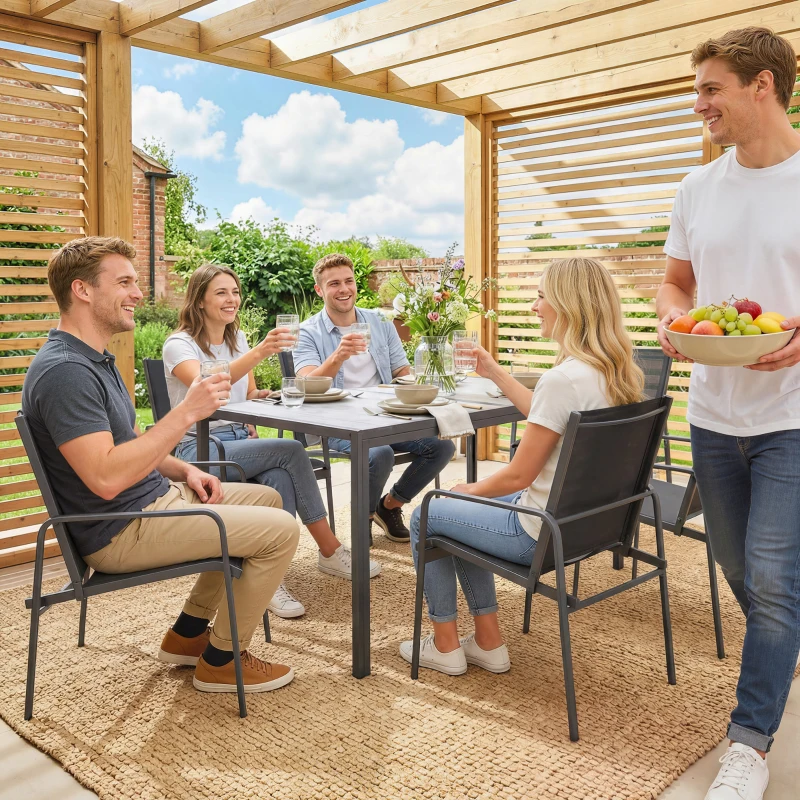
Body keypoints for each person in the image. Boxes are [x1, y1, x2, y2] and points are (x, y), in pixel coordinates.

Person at [22, 237, 301, 694]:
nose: (138, 293)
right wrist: (186, 412)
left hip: (153, 498)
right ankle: (222, 661)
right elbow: (107, 477)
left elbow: (131, 442)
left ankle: (187, 635)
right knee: (280, 532)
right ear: (83, 290)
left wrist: (185, 471)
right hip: (121, 528)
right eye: (125, 282)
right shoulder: (65, 372)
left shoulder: (95, 359)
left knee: (268, 499)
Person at [657, 27, 800, 800]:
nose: (699, 102)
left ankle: (748, 746)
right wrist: (668, 319)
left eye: (711, 87)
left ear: (763, 85)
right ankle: (786, 640)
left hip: (793, 416)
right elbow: (675, 284)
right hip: (713, 415)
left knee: (775, 583)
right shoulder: (696, 188)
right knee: (742, 569)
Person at [400, 257, 643, 675]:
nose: (535, 306)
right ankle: (488, 643)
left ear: (569, 306)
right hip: (582, 527)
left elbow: (518, 476)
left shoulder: (563, 380)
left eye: (541, 296)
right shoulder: (617, 373)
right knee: (463, 507)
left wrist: (463, 492)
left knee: (428, 512)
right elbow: (549, 418)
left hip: (536, 533)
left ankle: (444, 645)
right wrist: (494, 371)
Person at [163, 264, 381, 619]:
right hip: (199, 449)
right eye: (221, 293)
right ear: (199, 300)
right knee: (292, 450)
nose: (231, 299)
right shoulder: (179, 345)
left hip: (237, 441)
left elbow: (245, 394)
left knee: (280, 475)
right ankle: (329, 549)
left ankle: (266, 575)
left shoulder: (237, 340)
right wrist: (262, 352)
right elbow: (208, 385)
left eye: (234, 291)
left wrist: (260, 397)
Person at [294, 253, 455, 542]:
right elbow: (307, 384)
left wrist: (424, 385)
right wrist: (339, 354)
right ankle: (363, 519)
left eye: (348, 281)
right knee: (380, 454)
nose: (344, 289)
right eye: (334, 284)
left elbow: (401, 371)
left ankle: (389, 506)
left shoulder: (379, 322)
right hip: (335, 421)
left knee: (441, 447)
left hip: (382, 415)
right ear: (320, 290)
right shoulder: (307, 332)